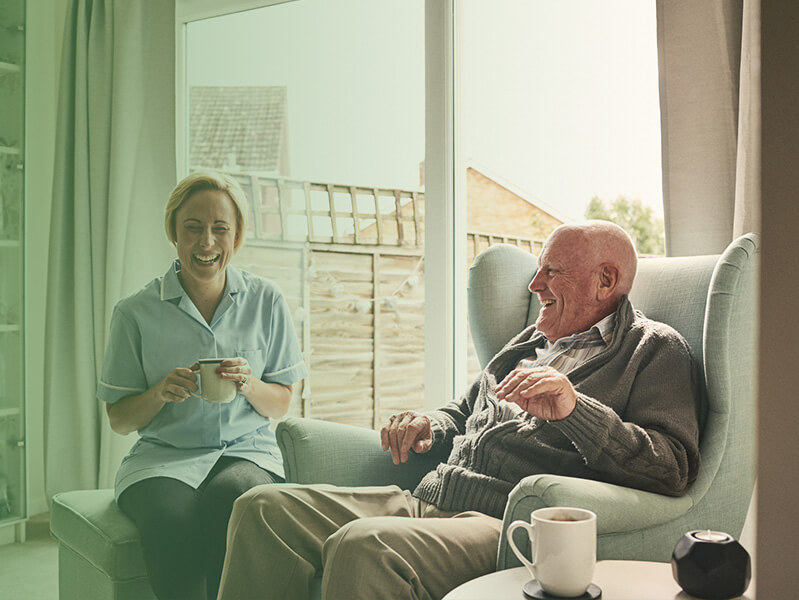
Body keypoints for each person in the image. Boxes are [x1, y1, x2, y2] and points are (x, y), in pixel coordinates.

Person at [217, 221, 702, 600]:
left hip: (503, 521)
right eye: (538, 269)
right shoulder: (529, 342)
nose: (535, 285)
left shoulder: (653, 349)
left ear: (606, 280)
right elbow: (467, 408)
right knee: (261, 509)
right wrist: (432, 424)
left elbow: (673, 467)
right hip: (429, 497)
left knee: (365, 546)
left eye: (552, 271)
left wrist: (574, 409)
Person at [98, 171, 307, 600]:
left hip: (246, 450)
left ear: (236, 235)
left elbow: (282, 402)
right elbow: (119, 419)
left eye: (219, 228)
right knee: (169, 520)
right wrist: (159, 393)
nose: (206, 242)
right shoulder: (134, 313)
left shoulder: (267, 300)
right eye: (192, 228)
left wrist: (248, 383)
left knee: (235, 503)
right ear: (174, 231)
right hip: (162, 457)